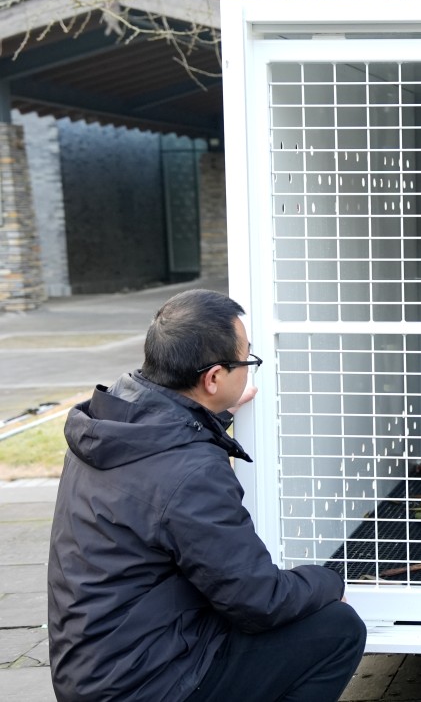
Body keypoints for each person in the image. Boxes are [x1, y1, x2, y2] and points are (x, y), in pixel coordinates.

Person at [48, 289, 366, 702]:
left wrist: (215, 414)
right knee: (337, 628)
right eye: (247, 362)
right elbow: (259, 601)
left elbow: (162, 465)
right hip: (149, 687)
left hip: (93, 673)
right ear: (213, 377)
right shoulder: (191, 472)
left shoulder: (109, 426)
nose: (249, 372)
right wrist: (328, 579)